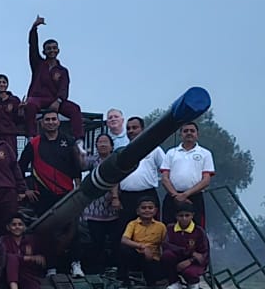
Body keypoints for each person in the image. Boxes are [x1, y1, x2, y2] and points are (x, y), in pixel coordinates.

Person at [19, 110, 86, 277]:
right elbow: (19, 168)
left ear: (58, 122)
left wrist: (78, 190)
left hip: (67, 195)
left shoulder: (69, 141)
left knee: (73, 230)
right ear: (42, 123)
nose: (50, 122)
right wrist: (25, 190)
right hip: (43, 196)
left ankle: (76, 264)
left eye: (53, 119)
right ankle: (51, 267)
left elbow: (76, 167)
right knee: (46, 233)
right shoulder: (34, 143)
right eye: (47, 120)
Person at [23, 15, 84, 141]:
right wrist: (34, 28)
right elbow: (32, 46)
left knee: (75, 108)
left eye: (54, 48)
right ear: (44, 51)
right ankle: (31, 137)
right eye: (48, 49)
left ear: (58, 50)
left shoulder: (62, 71)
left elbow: (64, 88)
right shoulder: (38, 64)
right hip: (38, 99)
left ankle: (79, 140)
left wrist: (58, 101)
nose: (52, 50)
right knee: (30, 105)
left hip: (55, 100)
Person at [2, 216, 63, 289]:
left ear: (24, 227)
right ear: (8, 227)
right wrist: (28, 258)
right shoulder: (3, 240)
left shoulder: (31, 240)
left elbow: (41, 258)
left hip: (25, 275)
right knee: (12, 259)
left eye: (20, 224)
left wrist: (31, 259)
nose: (17, 227)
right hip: (6, 277)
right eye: (14, 224)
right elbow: (4, 257)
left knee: (32, 286)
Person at [160, 121, 215, 226]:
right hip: (173, 197)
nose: (189, 133)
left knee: (196, 230)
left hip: (195, 198)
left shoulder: (205, 154)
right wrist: (176, 195)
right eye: (185, 131)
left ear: (197, 134)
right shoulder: (171, 153)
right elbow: (164, 178)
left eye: (192, 131)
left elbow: (206, 180)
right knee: (169, 229)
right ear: (180, 134)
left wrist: (186, 195)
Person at [117, 116, 164, 234]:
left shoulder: (154, 149)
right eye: (128, 128)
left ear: (143, 129)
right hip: (126, 198)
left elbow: (165, 170)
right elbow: (115, 176)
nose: (131, 131)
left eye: (134, 128)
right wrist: (115, 197)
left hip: (148, 195)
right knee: (125, 231)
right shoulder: (122, 151)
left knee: (151, 232)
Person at [82, 133, 121, 274]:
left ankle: (114, 266)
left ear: (112, 146)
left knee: (115, 239)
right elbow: (80, 165)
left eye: (106, 142)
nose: (103, 145)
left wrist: (115, 197)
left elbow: (115, 178)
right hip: (94, 207)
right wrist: (80, 152)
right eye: (100, 142)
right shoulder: (93, 160)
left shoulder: (116, 160)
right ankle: (97, 269)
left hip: (112, 206)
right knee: (96, 240)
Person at [117, 198, 168, 285]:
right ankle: (123, 278)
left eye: (150, 208)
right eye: (143, 208)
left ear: (155, 211)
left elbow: (165, 244)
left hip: (153, 258)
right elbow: (124, 240)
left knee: (154, 281)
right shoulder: (133, 224)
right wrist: (143, 247)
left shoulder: (161, 226)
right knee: (123, 248)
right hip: (137, 255)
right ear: (138, 211)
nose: (147, 210)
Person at [162, 202, 211, 289]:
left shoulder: (199, 231)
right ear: (176, 216)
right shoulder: (170, 228)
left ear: (192, 215)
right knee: (167, 255)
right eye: (181, 216)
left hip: (194, 262)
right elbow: (166, 245)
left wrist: (190, 260)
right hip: (178, 258)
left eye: (187, 215)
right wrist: (189, 252)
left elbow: (203, 253)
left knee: (189, 273)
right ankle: (175, 282)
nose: (184, 218)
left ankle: (193, 283)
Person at [0, 74, 26, 151]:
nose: (2, 84)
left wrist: (21, 111)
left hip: (10, 134)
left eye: (4, 82)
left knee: (11, 155)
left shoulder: (14, 100)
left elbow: (18, 120)